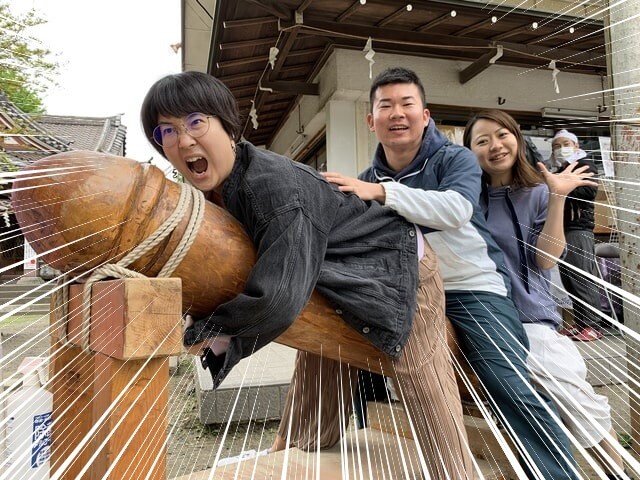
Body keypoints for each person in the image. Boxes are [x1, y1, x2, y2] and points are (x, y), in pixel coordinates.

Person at [140, 71, 473, 479]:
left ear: (228, 126)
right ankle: (302, 452)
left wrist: (208, 333)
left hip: (401, 267)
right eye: (167, 131)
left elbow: (278, 298)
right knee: (323, 347)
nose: (184, 140)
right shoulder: (215, 189)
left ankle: (455, 473)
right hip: (332, 273)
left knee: (420, 373)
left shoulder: (274, 187)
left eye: (195, 122)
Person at [324, 66, 578, 480]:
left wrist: (382, 192)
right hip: (402, 290)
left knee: (506, 382)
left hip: (471, 288)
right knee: (355, 357)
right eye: (385, 106)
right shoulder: (366, 178)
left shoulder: (453, 158)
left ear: (425, 116)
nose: (397, 113)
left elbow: (457, 210)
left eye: (407, 103)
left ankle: (557, 474)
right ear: (371, 121)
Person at [463, 109, 627, 480]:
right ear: (470, 152)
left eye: (501, 135)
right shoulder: (466, 199)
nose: (494, 146)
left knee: (580, 405)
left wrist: (556, 198)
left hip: (530, 320)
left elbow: (546, 257)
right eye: (482, 141)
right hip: (484, 319)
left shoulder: (538, 191)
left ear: (517, 139)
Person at [548, 129, 604, 341]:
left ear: (576, 146)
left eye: (565, 144)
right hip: (563, 229)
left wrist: (562, 183)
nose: (561, 149)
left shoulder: (585, 165)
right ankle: (580, 323)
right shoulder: (562, 168)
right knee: (569, 278)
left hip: (579, 228)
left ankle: (593, 325)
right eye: (556, 145)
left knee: (582, 277)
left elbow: (589, 191)